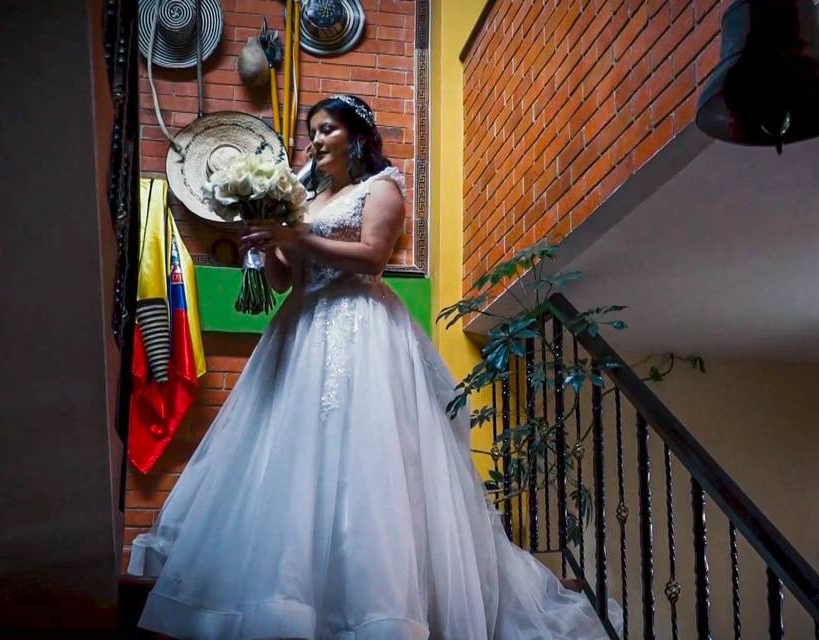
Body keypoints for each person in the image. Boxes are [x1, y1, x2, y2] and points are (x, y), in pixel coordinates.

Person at [128, 94, 618, 639]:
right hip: (300, 329)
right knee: (293, 461)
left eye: (327, 128)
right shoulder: (309, 201)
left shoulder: (381, 188)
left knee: (365, 460)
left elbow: (372, 257)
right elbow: (283, 282)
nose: (315, 140)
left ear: (356, 135)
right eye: (312, 131)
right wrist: (268, 243)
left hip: (359, 324)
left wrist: (296, 237)